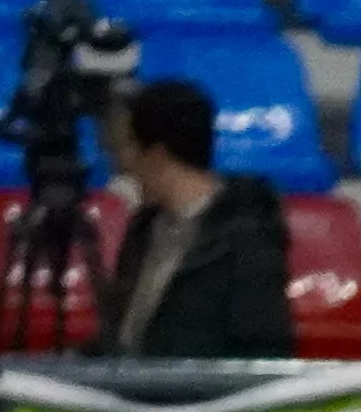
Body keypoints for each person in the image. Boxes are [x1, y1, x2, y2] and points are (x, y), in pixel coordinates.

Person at [97, 78, 293, 366]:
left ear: (156, 156)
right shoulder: (144, 230)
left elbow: (262, 353)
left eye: (129, 149)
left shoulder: (247, 237)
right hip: (129, 396)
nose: (123, 166)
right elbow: (121, 334)